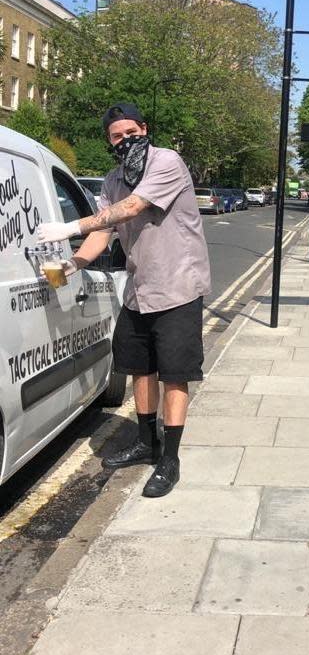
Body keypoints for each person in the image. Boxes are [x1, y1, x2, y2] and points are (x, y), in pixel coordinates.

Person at [38, 102, 211, 498]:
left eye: (131, 132)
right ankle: (146, 442)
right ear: (109, 141)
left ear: (144, 129)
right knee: (140, 369)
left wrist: (69, 225)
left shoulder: (167, 162)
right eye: (117, 136)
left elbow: (133, 206)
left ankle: (170, 458)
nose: (125, 140)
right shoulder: (115, 179)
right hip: (138, 289)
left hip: (178, 287)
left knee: (175, 373)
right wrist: (74, 263)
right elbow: (107, 230)